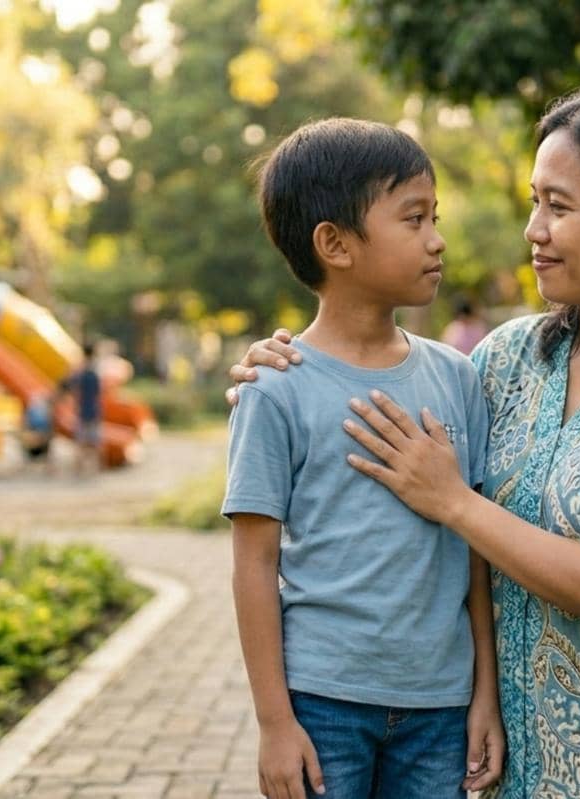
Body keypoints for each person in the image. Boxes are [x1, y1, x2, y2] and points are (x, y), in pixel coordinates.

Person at [228, 85, 580, 798]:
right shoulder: (509, 360)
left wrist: (453, 502)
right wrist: (279, 369)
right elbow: (370, 370)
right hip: (521, 772)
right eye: (535, 201)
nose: (534, 229)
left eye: (560, 206)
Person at [222, 117, 503, 799]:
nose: (436, 239)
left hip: (440, 704)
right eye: (413, 218)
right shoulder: (276, 388)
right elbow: (254, 564)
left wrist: (484, 693)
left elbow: (475, 552)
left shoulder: (457, 378)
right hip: (323, 704)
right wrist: (273, 723)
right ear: (335, 244)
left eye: (434, 216)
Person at [64, 342, 102, 475]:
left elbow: (72, 386)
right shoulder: (95, 371)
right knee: (94, 441)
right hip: (93, 409)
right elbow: (98, 392)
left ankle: (79, 468)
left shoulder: (80, 371)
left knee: (81, 441)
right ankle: (95, 467)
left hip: (83, 410)